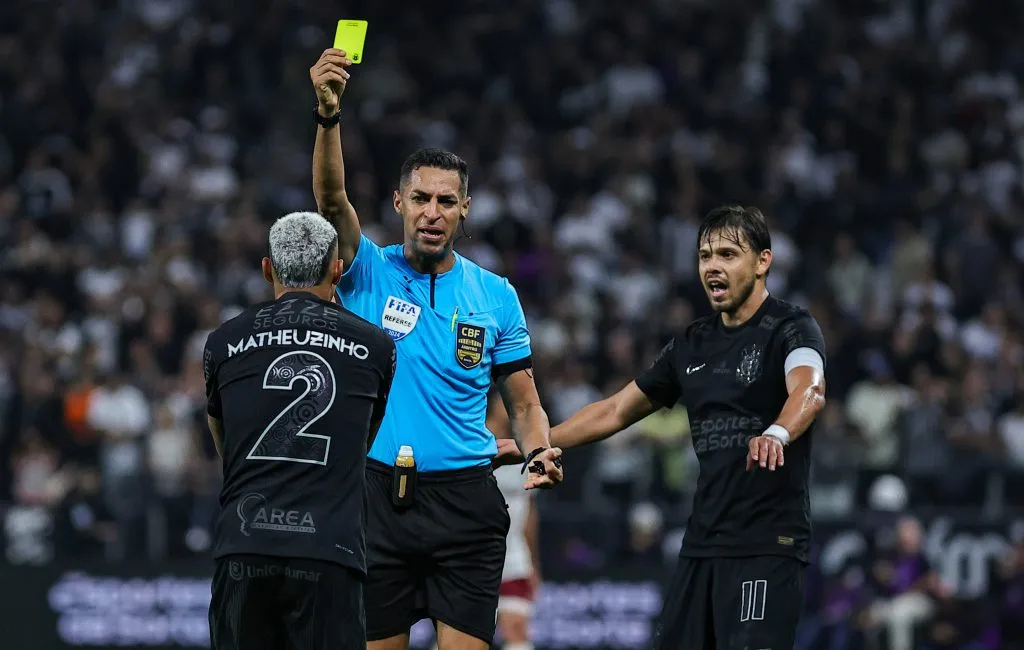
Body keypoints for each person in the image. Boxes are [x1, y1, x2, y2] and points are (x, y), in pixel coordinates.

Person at [308, 49, 564, 650]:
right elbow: (330, 200)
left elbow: (524, 403)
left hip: (465, 506)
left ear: (464, 209)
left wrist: (539, 450)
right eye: (421, 198)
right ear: (398, 202)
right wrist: (328, 116)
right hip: (378, 500)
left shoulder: (495, 295)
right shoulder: (367, 271)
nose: (432, 212)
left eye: (446, 202)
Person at [551, 205, 828, 650]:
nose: (712, 266)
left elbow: (810, 390)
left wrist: (777, 432)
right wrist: (538, 442)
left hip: (766, 543)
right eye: (704, 256)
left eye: (727, 254)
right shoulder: (691, 343)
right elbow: (615, 411)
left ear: (763, 261)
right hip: (702, 543)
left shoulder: (792, 327)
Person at [203, 212, 397, 650]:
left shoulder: (223, 342)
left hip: (245, 544)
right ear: (337, 269)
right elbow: (361, 442)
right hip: (330, 551)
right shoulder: (376, 346)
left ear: (267, 268)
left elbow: (226, 445)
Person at [489, 394, 541, 650]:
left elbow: (530, 513)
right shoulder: (469, 443)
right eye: (506, 400)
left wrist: (534, 562)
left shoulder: (527, 448)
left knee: (517, 629)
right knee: (456, 635)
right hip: (470, 555)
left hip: (515, 559)